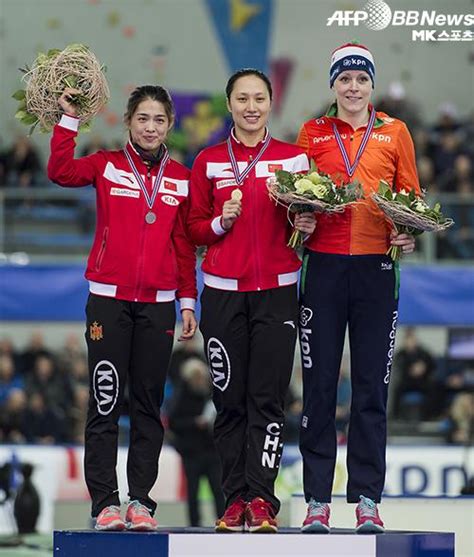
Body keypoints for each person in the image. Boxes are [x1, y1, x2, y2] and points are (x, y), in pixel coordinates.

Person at [47, 84, 197, 531]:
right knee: (105, 401)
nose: (150, 128)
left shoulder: (182, 178)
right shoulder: (106, 166)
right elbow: (59, 170)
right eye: (142, 119)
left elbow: (184, 246)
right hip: (109, 302)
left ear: (169, 125)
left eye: (158, 120)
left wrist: (187, 301)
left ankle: (141, 503)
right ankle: (105, 504)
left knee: (149, 405)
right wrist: (69, 120)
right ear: (128, 122)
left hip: (159, 306)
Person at [296, 43, 420, 534]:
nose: (353, 88)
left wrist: (409, 229)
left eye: (361, 80)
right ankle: (317, 502)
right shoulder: (312, 132)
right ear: (333, 85)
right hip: (323, 268)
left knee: (371, 389)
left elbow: (410, 194)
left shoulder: (395, 132)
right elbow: (295, 192)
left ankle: (367, 497)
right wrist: (298, 216)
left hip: (377, 270)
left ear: (372, 85)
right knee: (319, 388)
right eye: (344, 79)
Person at [188, 68, 315, 533]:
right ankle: (233, 498)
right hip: (222, 292)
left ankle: (261, 500)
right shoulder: (206, 162)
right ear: (229, 105)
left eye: (258, 98)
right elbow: (193, 229)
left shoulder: (295, 161)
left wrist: (307, 227)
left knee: (268, 400)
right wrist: (220, 222)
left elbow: (310, 220)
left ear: (270, 102)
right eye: (242, 98)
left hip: (277, 291)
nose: (251, 106)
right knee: (229, 403)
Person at [168, 357, 225, 527]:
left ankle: (223, 520)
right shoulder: (181, 397)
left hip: (211, 450)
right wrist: (194, 422)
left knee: (218, 489)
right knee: (192, 492)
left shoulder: (211, 394)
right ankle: (194, 524)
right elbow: (174, 422)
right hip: (191, 452)